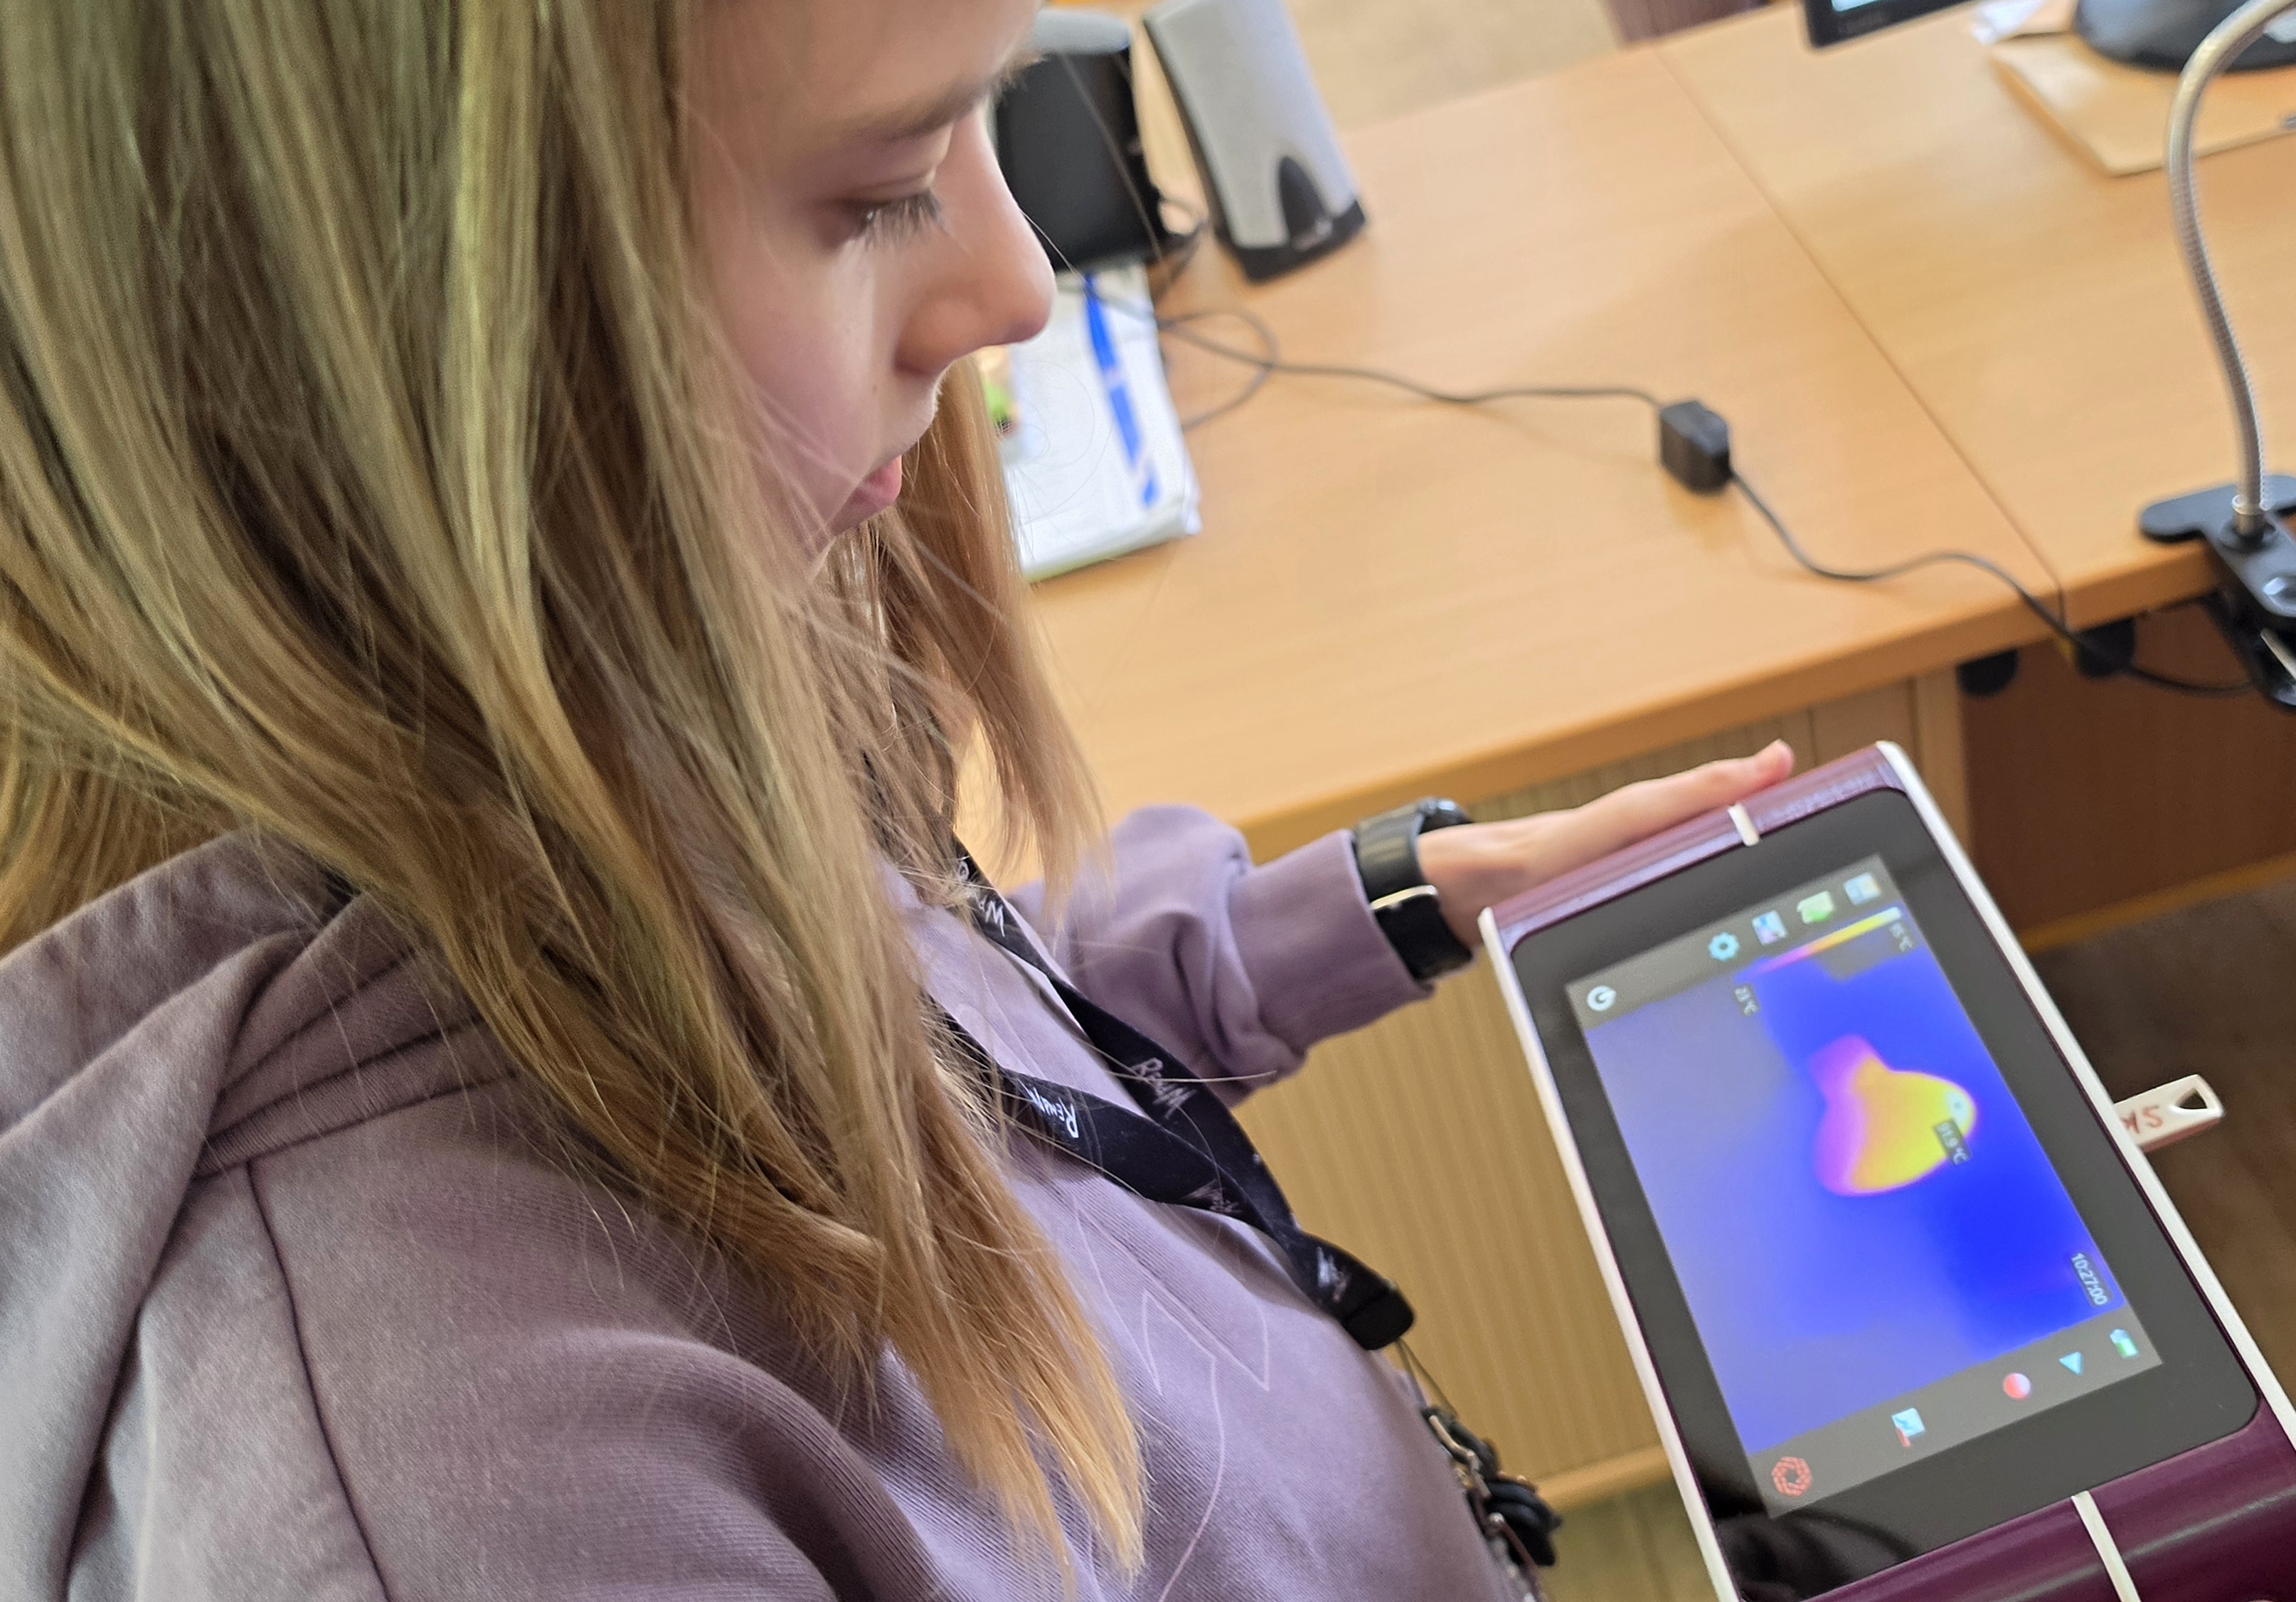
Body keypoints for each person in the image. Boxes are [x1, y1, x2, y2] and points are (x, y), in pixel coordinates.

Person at [0, 2, 1795, 1597]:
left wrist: (1361, 910)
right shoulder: (469, 1517)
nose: (1019, 288)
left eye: (991, 117)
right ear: (373, 331)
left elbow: (943, 1041)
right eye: (881, 192)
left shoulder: (599, 742)